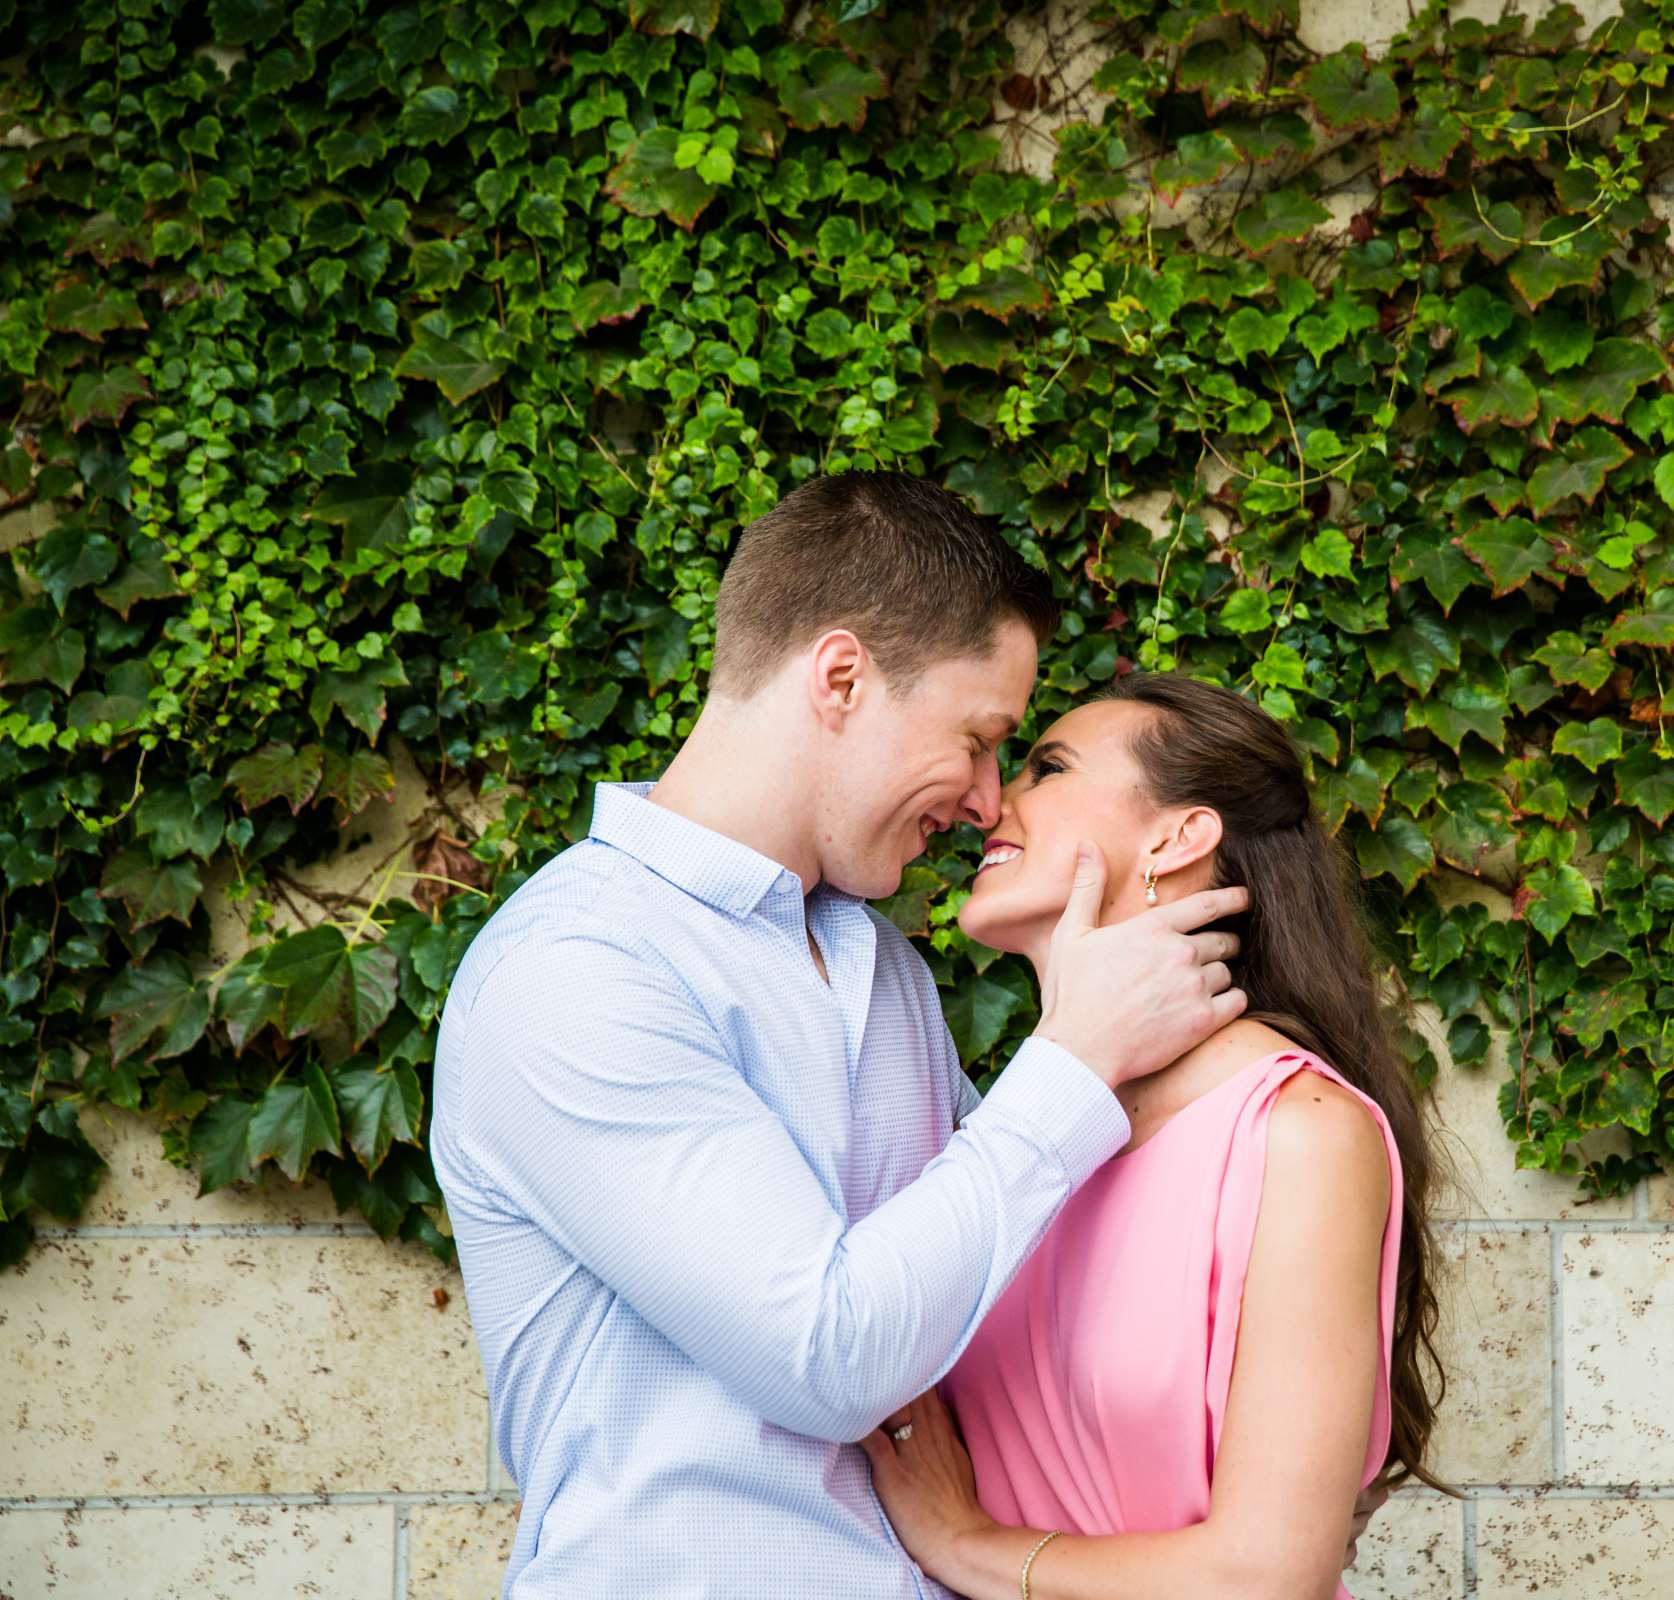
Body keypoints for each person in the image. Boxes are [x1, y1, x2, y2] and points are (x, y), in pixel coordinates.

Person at [428, 473, 1263, 1598]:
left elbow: (990, 1289)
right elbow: (827, 1355)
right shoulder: (580, 969)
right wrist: (1073, 1057)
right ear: (841, 677)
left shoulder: (886, 973)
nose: (984, 798)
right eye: (977, 739)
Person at [860, 674, 1448, 1600]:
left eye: (1047, 767)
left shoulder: (1298, 1134)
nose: (988, 801)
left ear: (1178, 838)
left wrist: (967, 1542)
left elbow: (1268, 1575)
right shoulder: (1011, 1135)